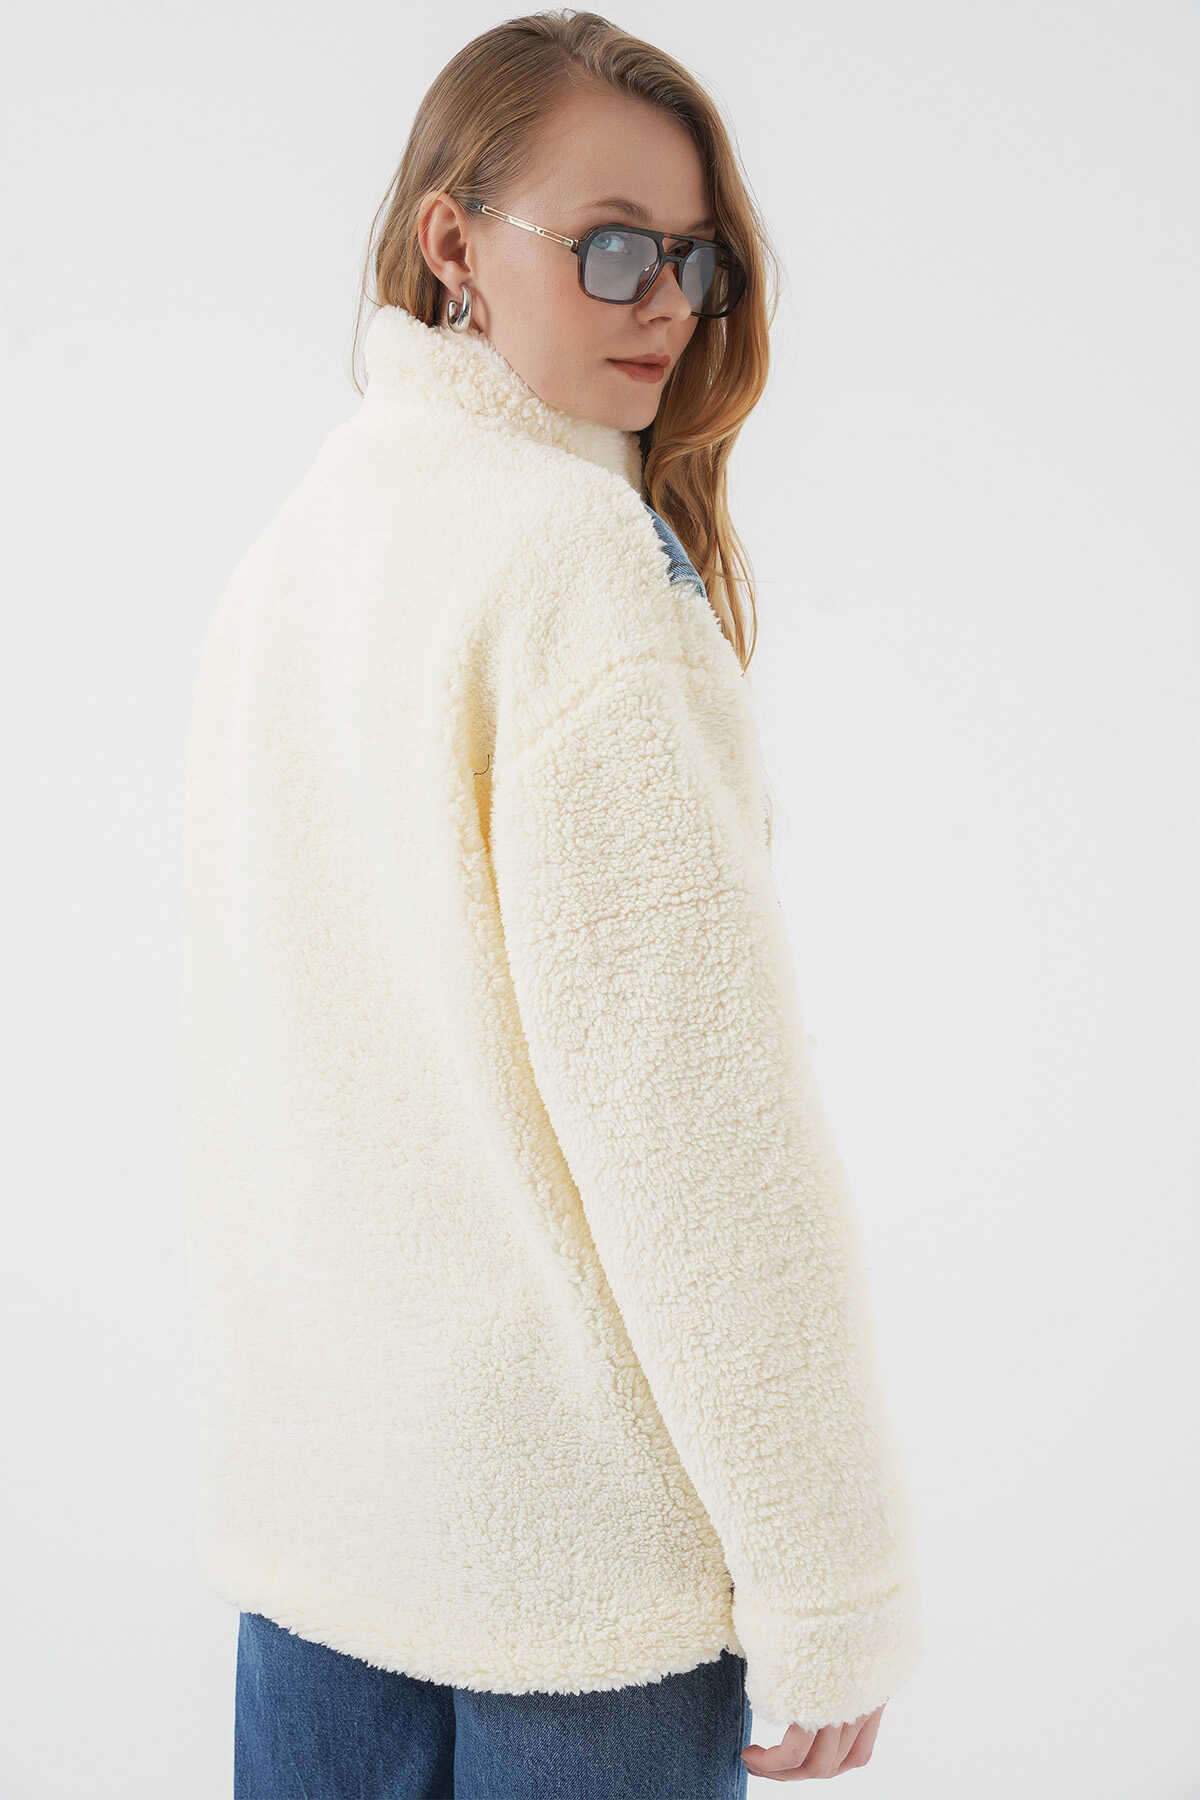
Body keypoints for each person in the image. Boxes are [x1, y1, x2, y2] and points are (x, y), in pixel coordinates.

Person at [180, 11, 925, 1794]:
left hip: (324, 1543)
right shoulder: (573, 568)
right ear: (453, 244)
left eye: (697, 259)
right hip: (573, 1585)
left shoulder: (299, 548)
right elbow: (698, 1131)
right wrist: (830, 1579)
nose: (668, 304)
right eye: (610, 248)